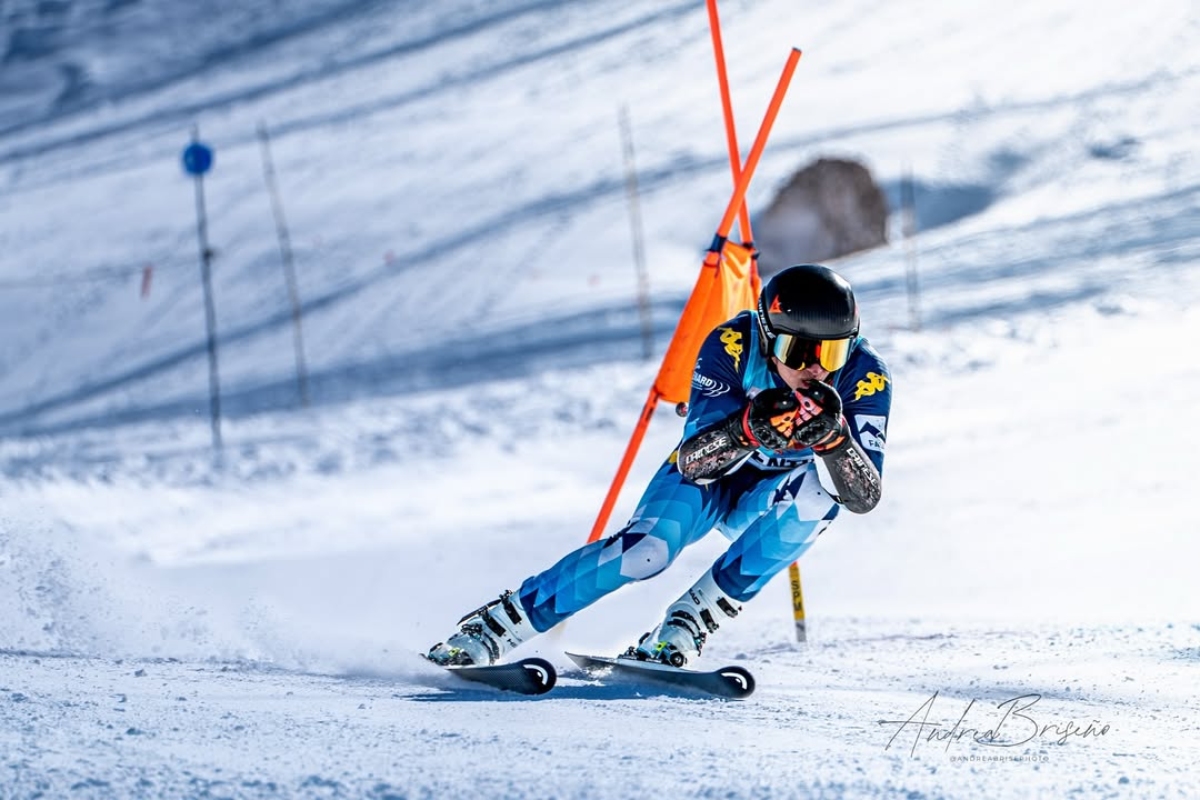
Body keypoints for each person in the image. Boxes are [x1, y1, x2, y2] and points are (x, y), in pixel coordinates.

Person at [427, 263, 892, 668]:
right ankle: (493, 630)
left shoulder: (865, 375)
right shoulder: (733, 344)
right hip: (712, 480)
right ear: (769, 338)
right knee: (646, 551)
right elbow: (694, 462)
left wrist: (835, 443)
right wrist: (746, 429)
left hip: (770, 499)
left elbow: (863, 496)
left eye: (831, 353)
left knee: (818, 498)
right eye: (798, 352)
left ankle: (685, 628)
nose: (816, 370)